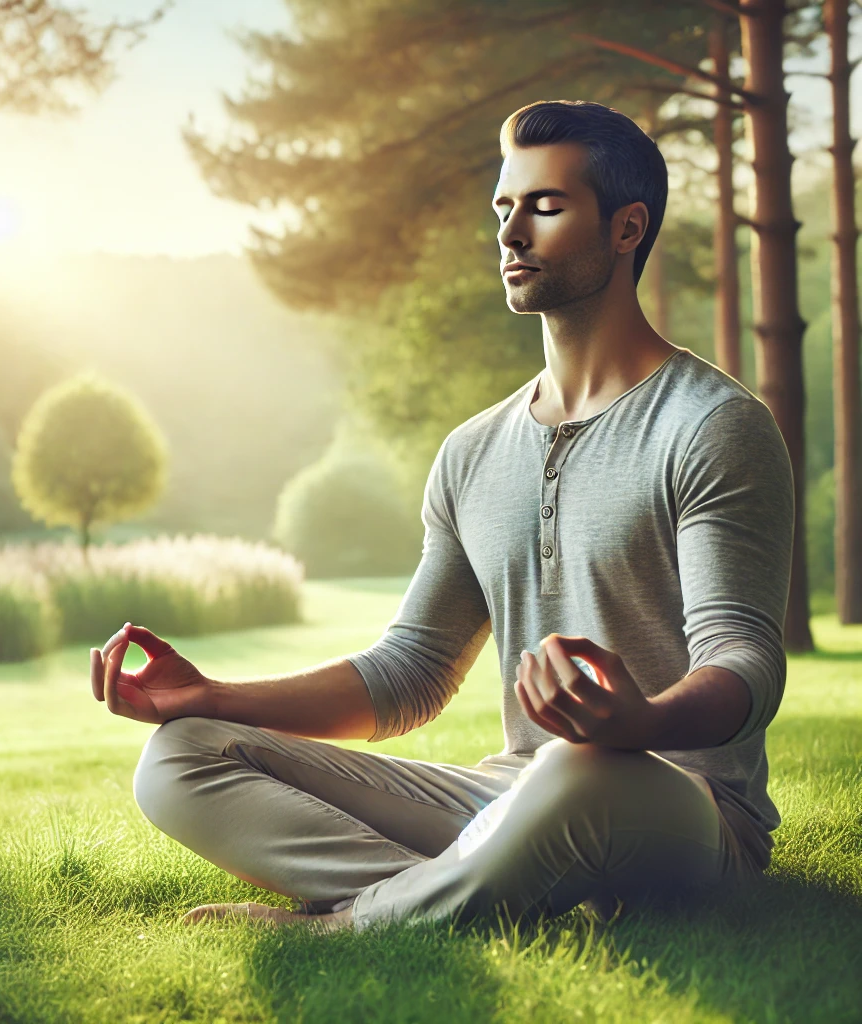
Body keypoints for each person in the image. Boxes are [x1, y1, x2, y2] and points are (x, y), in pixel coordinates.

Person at [90, 99, 794, 935]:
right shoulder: (472, 450)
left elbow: (745, 660)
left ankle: (349, 924)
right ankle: (478, 891)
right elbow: (411, 674)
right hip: (510, 793)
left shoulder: (713, 424)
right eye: (504, 208)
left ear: (626, 228)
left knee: (577, 772)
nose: (510, 233)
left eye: (545, 206)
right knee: (182, 754)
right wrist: (210, 694)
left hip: (677, 803)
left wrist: (641, 721)